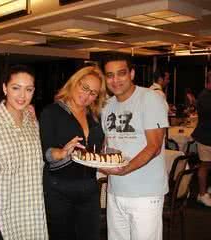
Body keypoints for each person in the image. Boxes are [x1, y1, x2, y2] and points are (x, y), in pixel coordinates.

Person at [101, 54, 169, 240]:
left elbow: (154, 146)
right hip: (115, 190)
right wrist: (100, 163)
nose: (115, 80)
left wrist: (126, 169)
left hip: (145, 194)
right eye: (109, 75)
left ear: (131, 73)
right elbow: (109, 143)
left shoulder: (150, 99)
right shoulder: (107, 105)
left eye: (121, 73)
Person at [39, 65, 106, 240]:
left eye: (93, 93)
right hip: (60, 189)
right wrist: (61, 153)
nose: (87, 96)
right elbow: (46, 153)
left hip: (90, 188)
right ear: (74, 82)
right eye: (84, 88)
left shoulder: (95, 116)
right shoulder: (51, 112)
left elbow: (97, 150)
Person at [0, 65, 48, 240]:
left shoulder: (32, 121)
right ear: (4, 88)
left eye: (28, 89)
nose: (22, 96)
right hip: (5, 214)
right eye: (16, 88)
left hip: (33, 211)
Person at [192, 69, 211, 207]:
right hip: (205, 137)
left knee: (207, 164)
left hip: (206, 136)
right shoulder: (205, 96)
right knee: (204, 165)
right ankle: (202, 194)